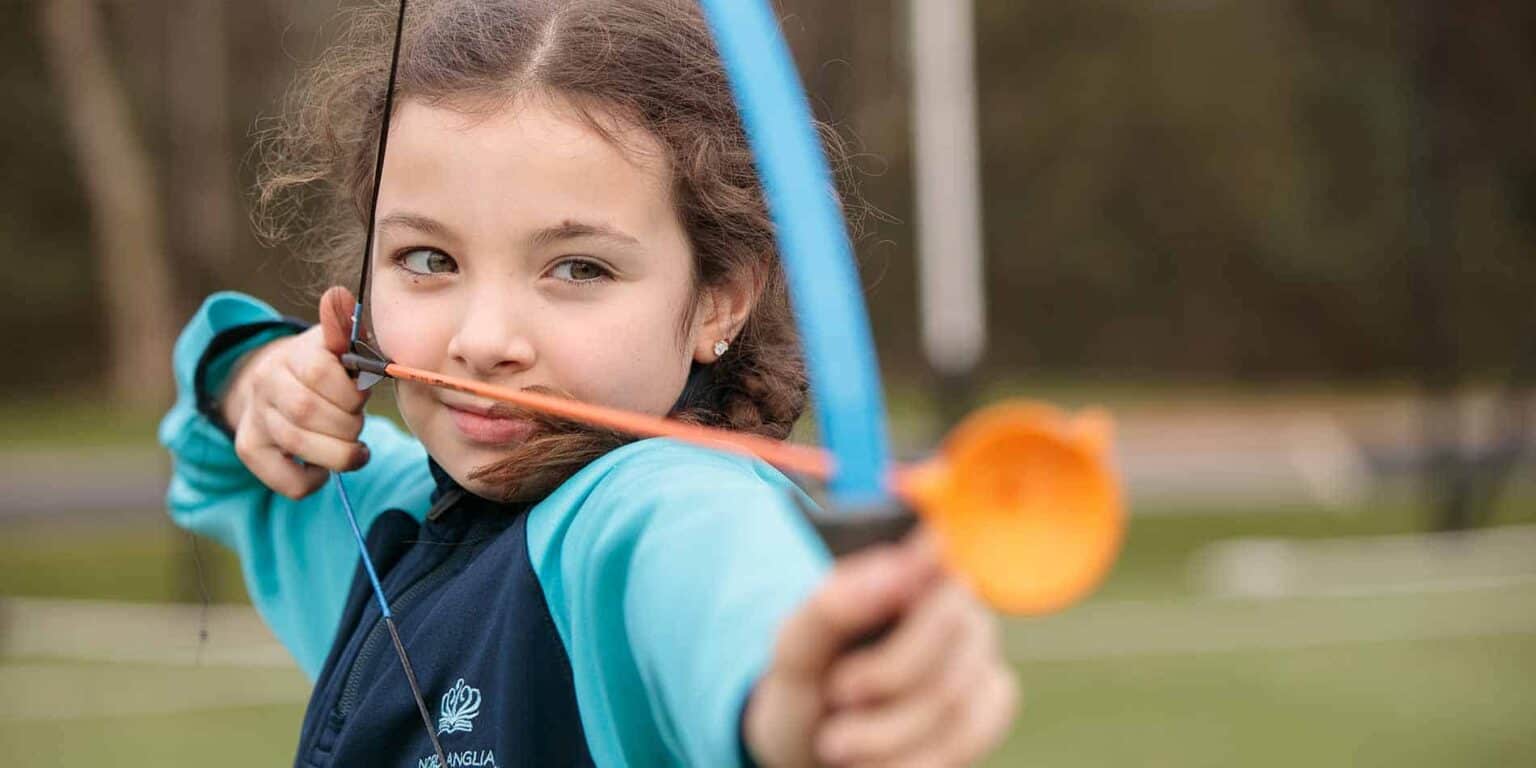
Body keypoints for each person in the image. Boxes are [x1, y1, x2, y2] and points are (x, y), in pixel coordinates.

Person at [160, 1, 1016, 765]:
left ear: (722, 300)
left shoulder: (654, 508)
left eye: (577, 267)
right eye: (428, 260)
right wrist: (256, 377)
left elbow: (724, 581)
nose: (483, 341)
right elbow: (223, 458)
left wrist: (809, 696)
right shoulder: (379, 516)